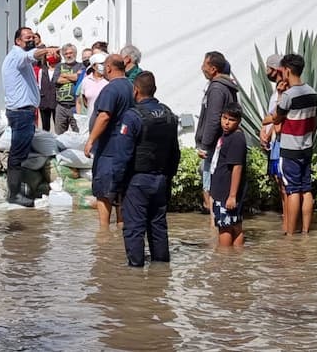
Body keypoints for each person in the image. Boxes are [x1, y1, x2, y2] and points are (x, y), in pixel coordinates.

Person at [113, 71, 180, 266]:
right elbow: (175, 152)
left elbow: (122, 155)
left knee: (134, 228)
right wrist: (169, 178)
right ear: (155, 90)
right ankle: (160, 275)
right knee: (158, 226)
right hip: (161, 180)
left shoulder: (132, 117)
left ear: (135, 90)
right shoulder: (169, 115)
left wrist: (116, 186)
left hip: (137, 181)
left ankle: (135, 276)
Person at [2, 27, 59, 207]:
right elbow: (30, 55)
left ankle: (19, 190)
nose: (31, 40)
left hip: (24, 112)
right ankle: (14, 194)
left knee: (22, 151)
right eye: (27, 38)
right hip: (20, 113)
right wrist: (46, 49)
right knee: (18, 154)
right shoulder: (17, 56)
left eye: (33, 37)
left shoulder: (20, 58)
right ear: (17, 41)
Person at [262, 54, 317, 235]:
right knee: (306, 189)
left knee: (292, 190)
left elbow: (277, 117)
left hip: (290, 149)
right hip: (307, 146)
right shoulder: (312, 92)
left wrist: (266, 119)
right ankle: (306, 231)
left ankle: (291, 235)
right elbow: (314, 121)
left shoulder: (288, 95)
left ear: (286, 70)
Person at [84, 54, 135, 227]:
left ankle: (104, 233)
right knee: (121, 192)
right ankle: (121, 231)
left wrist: (91, 140)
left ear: (109, 68)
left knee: (104, 192)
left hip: (109, 149)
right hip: (127, 148)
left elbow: (104, 116)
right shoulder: (132, 86)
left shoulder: (111, 89)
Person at [195, 51, 238, 221]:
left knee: (210, 188)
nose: (202, 68)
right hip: (219, 144)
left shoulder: (217, 88)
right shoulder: (224, 86)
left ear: (213, 69)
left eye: (204, 65)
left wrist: (205, 146)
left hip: (213, 147)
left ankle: (214, 229)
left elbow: (213, 119)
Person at [209, 103, 247, 246]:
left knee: (225, 227)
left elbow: (237, 167)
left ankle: (225, 261)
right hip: (224, 190)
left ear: (238, 121)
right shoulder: (227, 135)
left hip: (227, 192)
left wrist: (232, 196)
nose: (226, 122)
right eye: (224, 118)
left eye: (231, 120)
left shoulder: (236, 139)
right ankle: (234, 261)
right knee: (235, 225)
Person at [259, 54, 289, 233]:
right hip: (273, 140)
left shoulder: (284, 91)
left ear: (274, 69)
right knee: (279, 182)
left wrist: (267, 129)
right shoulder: (275, 90)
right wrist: (264, 131)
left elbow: (279, 115)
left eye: (267, 68)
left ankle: (289, 221)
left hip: (280, 140)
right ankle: (286, 218)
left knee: (284, 182)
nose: (266, 72)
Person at [53, 43, 81, 134]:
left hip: (75, 106)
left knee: (78, 133)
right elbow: (57, 80)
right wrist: (74, 77)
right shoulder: (59, 66)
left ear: (75, 53)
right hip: (61, 106)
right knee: (59, 135)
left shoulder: (80, 66)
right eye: (66, 54)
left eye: (70, 53)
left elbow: (79, 78)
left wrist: (64, 75)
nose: (68, 55)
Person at [77, 52, 109, 117]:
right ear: (94, 66)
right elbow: (82, 101)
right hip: (90, 118)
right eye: (101, 64)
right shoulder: (86, 81)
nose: (104, 66)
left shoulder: (109, 80)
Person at [39, 52, 59, 132]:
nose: (50, 56)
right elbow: (39, 85)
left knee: (58, 125)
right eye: (48, 55)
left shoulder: (60, 69)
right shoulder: (42, 70)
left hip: (56, 100)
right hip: (44, 101)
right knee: (45, 126)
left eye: (52, 54)